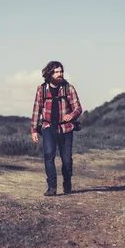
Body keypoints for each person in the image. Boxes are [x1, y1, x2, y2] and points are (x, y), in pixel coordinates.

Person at [31, 61, 83, 196]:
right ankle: (52, 187)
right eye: (57, 72)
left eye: (61, 72)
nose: (60, 74)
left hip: (66, 128)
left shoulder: (68, 88)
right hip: (48, 127)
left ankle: (67, 181)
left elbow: (78, 108)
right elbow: (36, 110)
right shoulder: (41, 89)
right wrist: (34, 130)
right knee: (49, 155)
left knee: (66, 159)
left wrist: (71, 115)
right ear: (50, 73)